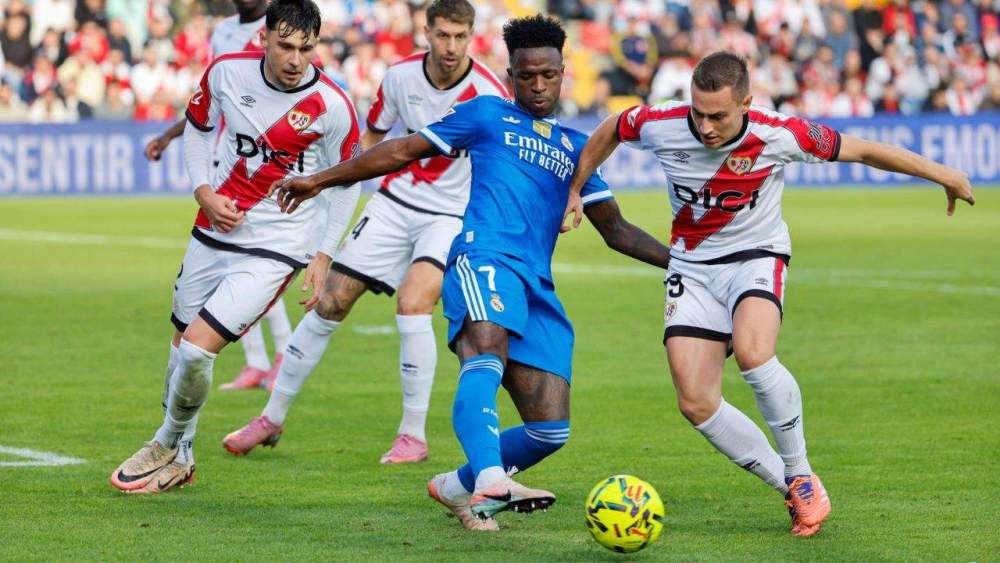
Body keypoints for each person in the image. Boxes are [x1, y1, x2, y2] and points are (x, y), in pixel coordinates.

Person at [269, 14, 670, 531]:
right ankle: (490, 479)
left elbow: (616, 231)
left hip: (536, 285)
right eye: (527, 76)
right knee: (484, 352)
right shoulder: (485, 115)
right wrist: (320, 180)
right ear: (511, 76)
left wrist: (685, 263)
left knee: (550, 428)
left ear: (563, 71)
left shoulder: (575, 148)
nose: (539, 85)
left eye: (549, 75)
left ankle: (455, 486)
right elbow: (402, 149)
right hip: (483, 259)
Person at [563, 51, 975, 537]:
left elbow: (862, 150)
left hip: (756, 256)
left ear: (746, 104)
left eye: (718, 115)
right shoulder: (663, 122)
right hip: (692, 267)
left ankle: (799, 469)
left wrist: (942, 173)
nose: (707, 126)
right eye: (699, 112)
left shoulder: (780, 132)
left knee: (755, 355)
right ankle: (794, 489)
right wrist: (576, 185)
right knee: (695, 401)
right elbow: (614, 126)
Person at [221, 0, 509, 466]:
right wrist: (333, 186)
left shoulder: (490, 93)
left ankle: (412, 435)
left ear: (472, 36)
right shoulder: (399, 77)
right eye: (442, 35)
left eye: (460, 36)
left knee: (414, 300)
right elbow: (370, 142)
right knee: (329, 300)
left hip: (451, 214)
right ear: (426, 32)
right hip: (394, 203)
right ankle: (271, 418)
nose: (450, 46)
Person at [109, 0, 361, 494]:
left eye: (305, 49)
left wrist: (324, 253)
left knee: (199, 352)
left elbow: (347, 183)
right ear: (263, 39)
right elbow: (201, 132)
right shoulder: (226, 73)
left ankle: (165, 440)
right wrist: (204, 191)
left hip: (277, 245)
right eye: (285, 46)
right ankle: (181, 458)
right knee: (180, 345)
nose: (295, 59)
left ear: (316, 46)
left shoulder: (333, 105)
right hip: (214, 228)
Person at [144, 0, 293, 392]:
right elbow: (209, 98)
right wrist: (168, 136)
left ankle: (283, 357)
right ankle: (258, 362)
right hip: (223, 159)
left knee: (257, 262)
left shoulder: (280, 29)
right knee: (233, 267)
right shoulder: (224, 31)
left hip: (261, 166)